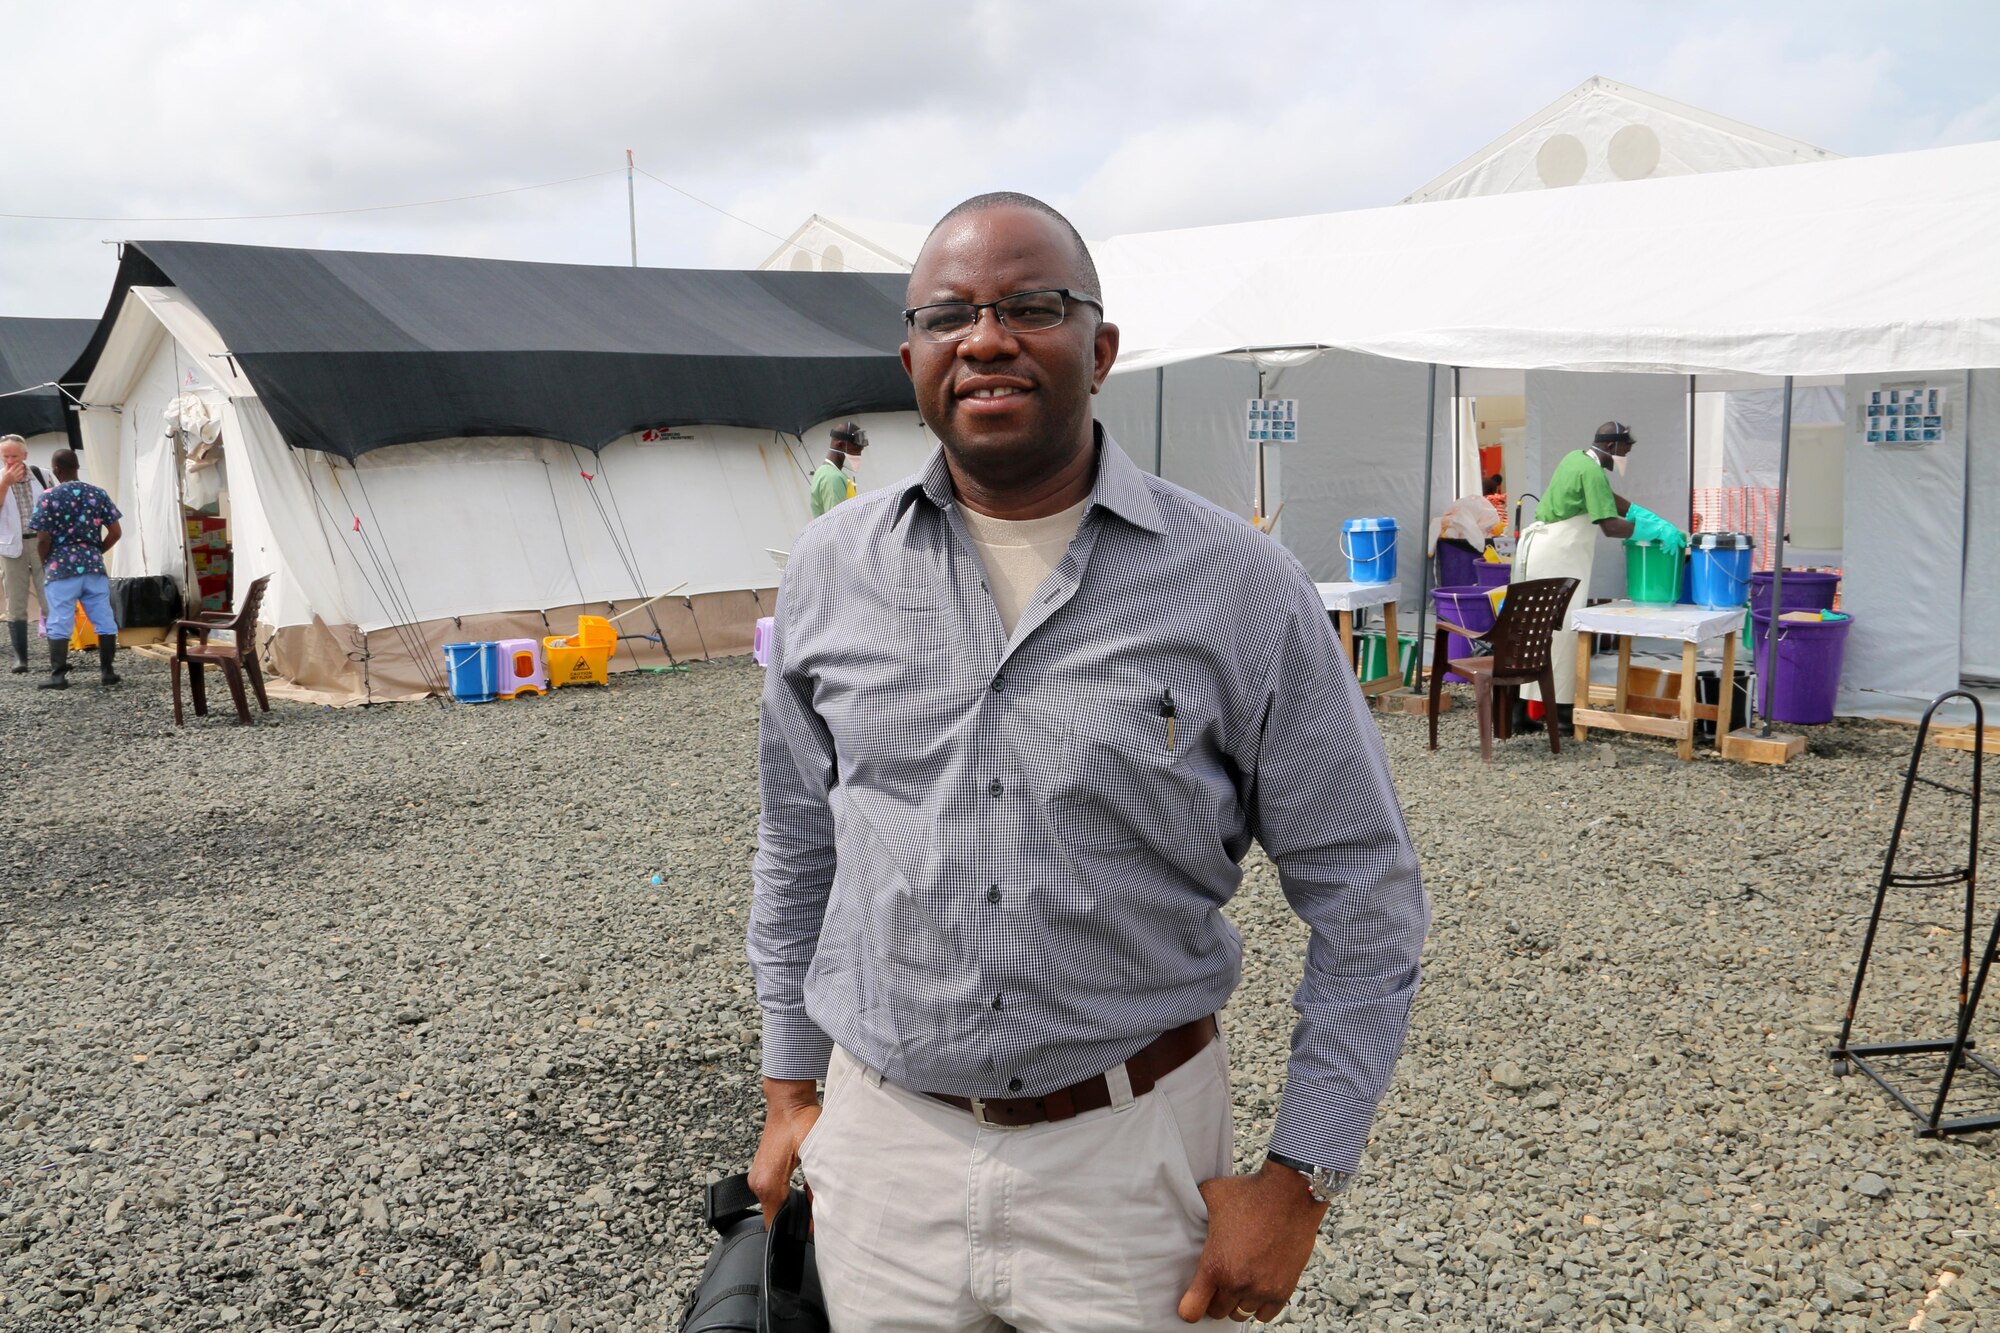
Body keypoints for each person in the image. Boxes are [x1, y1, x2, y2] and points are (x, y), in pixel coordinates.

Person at [748, 192, 1428, 1330]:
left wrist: (1301, 1177)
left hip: (1132, 1160)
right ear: (911, 354)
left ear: (1100, 349)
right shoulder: (829, 569)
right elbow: (798, 841)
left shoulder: (1239, 590)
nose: (986, 338)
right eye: (949, 314)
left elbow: (1367, 894)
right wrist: (786, 1088)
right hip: (884, 1155)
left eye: (1032, 306)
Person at [1510, 421, 1641, 731]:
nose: (1628, 454)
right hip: (1560, 556)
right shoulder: (1592, 470)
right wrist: (1648, 530)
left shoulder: (1575, 458)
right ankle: (1564, 715)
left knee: (1532, 629)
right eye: (1627, 448)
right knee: (1562, 630)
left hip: (1540, 551)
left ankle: (1519, 714)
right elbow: (1609, 525)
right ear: (1611, 447)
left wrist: (1640, 511)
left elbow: (1606, 497)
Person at [29, 448, 122, 690]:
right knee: (103, 618)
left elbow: (43, 538)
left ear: (56, 470)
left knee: (60, 620)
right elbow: (116, 532)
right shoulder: (98, 493)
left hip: (61, 569)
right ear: (77, 468)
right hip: (93, 567)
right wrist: (96, 551)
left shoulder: (49, 497)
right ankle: (108, 672)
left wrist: (45, 561)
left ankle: (58, 676)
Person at [0, 435, 52, 672]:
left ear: (25, 456)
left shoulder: (42, 475)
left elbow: (57, 504)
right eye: (5, 456)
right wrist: (5, 483)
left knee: (49, 598)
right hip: (12, 546)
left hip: (41, 543)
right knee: (16, 601)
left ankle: (57, 655)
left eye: (14, 456)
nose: (10, 461)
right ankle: (21, 658)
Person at [808, 421, 868, 518]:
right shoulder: (831, 478)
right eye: (856, 449)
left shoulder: (830, 473)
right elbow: (837, 523)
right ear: (840, 445)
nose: (859, 454)